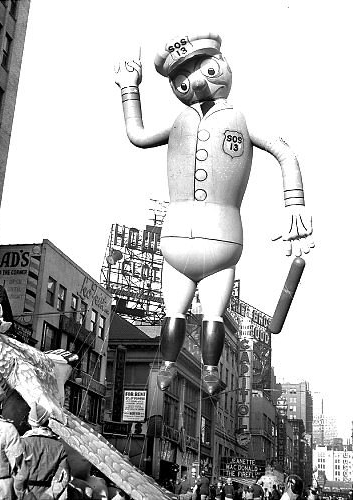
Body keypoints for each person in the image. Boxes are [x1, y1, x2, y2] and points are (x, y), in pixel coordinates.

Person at [115, 32, 314, 395]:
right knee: (181, 312)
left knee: (207, 313)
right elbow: (138, 134)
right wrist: (129, 86)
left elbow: (284, 152)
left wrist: (295, 203)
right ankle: (176, 367)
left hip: (206, 238)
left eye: (207, 67)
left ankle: (201, 370)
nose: (198, 81)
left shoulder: (237, 119)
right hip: (194, 237)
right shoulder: (179, 121)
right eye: (183, 78)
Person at [14, 402, 70, 499]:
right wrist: (49, 496)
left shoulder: (20, 443)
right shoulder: (59, 446)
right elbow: (64, 477)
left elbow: (13, 473)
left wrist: (25, 495)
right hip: (47, 495)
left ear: (30, 423)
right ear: (47, 422)